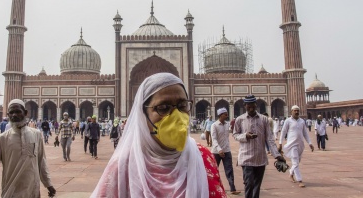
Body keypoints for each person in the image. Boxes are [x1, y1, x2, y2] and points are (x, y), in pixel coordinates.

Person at [91, 72, 226, 197]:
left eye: (182, 105)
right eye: (163, 107)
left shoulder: (202, 156)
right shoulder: (124, 165)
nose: (176, 116)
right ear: (143, 115)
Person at [0, 99, 56, 198]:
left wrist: (48, 183)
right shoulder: (3, 138)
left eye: (18, 111)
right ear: (8, 115)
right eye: (11, 112)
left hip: (32, 190)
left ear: (25, 113)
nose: (14, 115)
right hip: (10, 190)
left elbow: (41, 161)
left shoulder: (36, 134)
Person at [233, 94, 285, 198]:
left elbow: (269, 138)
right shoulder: (240, 119)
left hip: (260, 157)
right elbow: (235, 135)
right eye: (248, 105)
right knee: (249, 183)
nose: (251, 107)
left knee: (257, 185)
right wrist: (245, 136)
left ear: (256, 104)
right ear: (244, 105)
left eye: (253, 104)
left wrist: (277, 155)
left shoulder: (264, 119)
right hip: (246, 157)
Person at [278, 105, 314, 188]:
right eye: (295, 110)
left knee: (297, 162)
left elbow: (305, 133)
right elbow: (283, 132)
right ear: (291, 111)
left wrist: (310, 143)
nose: (297, 112)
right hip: (292, 144)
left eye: (298, 110)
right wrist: (280, 143)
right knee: (295, 162)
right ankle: (300, 180)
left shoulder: (302, 121)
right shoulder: (288, 121)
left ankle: (291, 173)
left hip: (300, 145)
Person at [211, 108, 241, 195]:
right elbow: (214, 139)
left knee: (229, 170)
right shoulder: (214, 125)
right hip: (216, 152)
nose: (227, 115)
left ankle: (232, 188)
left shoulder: (227, 124)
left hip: (227, 151)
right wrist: (219, 149)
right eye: (225, 114)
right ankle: (213, 188)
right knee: (214, 171)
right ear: (220, 115)